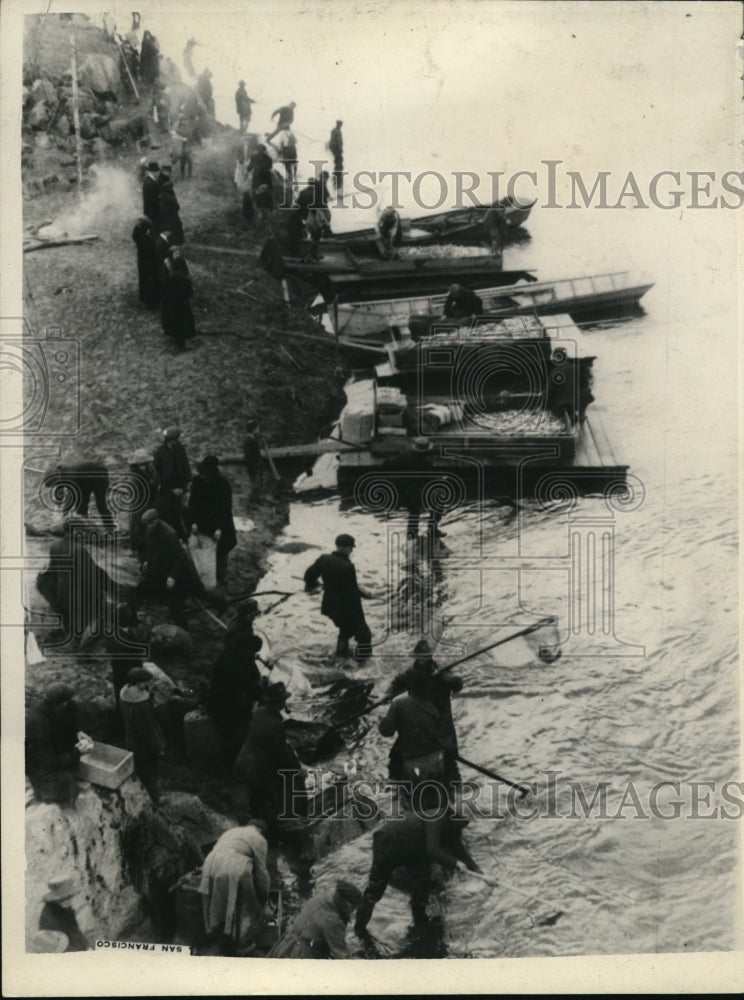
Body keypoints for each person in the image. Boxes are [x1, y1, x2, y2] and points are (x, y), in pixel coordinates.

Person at [353, 804, 480, 938]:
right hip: (388, 843)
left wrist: (480, 873)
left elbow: (461, 853)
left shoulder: (452, 826)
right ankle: (359, 929)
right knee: (375, 891)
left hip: (413, 849)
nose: (463, 827)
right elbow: (433, 850)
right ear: (455, 817)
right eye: (463, 823)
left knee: (423, 882)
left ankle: (419, 918)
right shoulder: (436, 817)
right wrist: (456, 863)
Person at [388, 639, 462, 786]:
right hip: (419, 725)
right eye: (418, 658)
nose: (420, 662)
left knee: (448, 766)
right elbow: (398, 681)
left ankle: (454, 794)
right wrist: (388, 693)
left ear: (429, 658)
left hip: (440, 726)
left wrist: (447, 678)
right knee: (396, 759)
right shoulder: (412, 671)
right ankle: (400, 788)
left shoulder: (441, 672)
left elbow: (457, 684)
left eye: (423, 659)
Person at [35, 517, 120, 646]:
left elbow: (53, 569)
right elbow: (89, 577)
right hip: (78, 595)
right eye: (82, 531)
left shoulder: (55, 545)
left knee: (69, 619)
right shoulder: (79, 550)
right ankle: (80, 649)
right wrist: (99, 596)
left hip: (62, 591)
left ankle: (69, 638)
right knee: (86, 623)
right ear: (76, 532)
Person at [234, 682, 305, 829]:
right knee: (288, 781)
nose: (285, 702)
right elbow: (282, 753)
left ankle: (259, 822)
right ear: (280, 702)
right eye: (283, 700)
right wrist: (298, 769)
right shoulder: (274, 723)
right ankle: (287, 822)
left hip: (244, 762)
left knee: (257, 798)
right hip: (259, 769)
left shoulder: (259, 712)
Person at [199, 820, 271, 956]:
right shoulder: (260, 839)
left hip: (209, 863)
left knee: (219, 901)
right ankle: (242, 945)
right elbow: (262, 874)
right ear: (261, 831)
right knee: (247, 906)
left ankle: (218, 934)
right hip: (233, 864)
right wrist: (264, 903)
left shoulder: (231, 831)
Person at [378, 662, 446, 791]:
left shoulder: (400, 704)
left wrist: (382, 721)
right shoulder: (437, 702)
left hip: (412, 759)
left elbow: (386, 731)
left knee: (396, 760)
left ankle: (397, 790)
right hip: (436, 755)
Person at [303, 534, 373, 659]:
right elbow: (350, 593)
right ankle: (362, 664)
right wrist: (363, 594)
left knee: (345, 629)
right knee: (364, 635)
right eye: (351, 547)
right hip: (346, 607)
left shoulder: (324, 559)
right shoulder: (347, 567)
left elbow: (309, 575)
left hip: (330, 606)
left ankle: (340, 656)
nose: (351, 550)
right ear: (343, 548)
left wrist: (314, 586)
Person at [138, 508, 207, 626]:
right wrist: (147, 562)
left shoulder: (169, 534)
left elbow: (181, 557)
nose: (147, 527)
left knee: (188, 598)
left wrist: (172, 577)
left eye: (149, 524)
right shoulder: (150, 529)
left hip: (180, 574)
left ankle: (184, 630)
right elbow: (151, 549)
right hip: (165, 569)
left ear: (155, 521)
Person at [209, 626, 265, 764]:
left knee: (238, 730)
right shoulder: (231, 664)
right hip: (227, 703)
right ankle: (233, 763)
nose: (253, 654)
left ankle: (237, 758)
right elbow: (244, 686)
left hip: (235, 698)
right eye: (251, 652)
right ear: (245, 649)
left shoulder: (238, 653)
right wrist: (261, 692)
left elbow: (251, 673)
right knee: (234, 733)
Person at [268, 881, 361, 959]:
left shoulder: (323, 898)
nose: (353, 912)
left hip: (287, 944)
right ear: (347, 905)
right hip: (302, 955)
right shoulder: (333, 921)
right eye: (353, 909)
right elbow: (342, 956)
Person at [25, 684, 82, 806]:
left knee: (73, 768)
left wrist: (79, 731)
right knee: (69, 784)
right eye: (65, 703)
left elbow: (73, 710)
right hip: (40, 767)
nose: (68, 704)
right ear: (58, 704)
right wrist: (77, 752)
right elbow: (48, 762)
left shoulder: (55, 707)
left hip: (52, 752)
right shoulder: (38, 724)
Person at [382, 437, 446, 539]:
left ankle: (411, 534)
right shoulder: (426, 464)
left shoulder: (403, 456)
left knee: (414, 510)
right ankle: (432, 530)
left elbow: (386, 464)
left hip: (398, 493)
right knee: (438, 502)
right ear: (427, 450)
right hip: (413, 495)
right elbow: (431, 482)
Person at [187, 455, 238, 585]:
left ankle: (221, 574)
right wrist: (193, 521)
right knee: (205, 548)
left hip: (220, 520)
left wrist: (220, 528)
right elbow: (193, 503)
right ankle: (206, 573)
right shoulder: (197, 481)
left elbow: (225, 508)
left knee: (222, 546)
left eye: (205, 475)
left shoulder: (223, 484)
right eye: (201, 474)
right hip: (203, 520)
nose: (203, 477)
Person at [120, 666, 167, 802]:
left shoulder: (124, 694)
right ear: (140, 683)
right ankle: (156, 797)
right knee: (150, 770)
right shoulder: (142, 705)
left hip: (131, 739)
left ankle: (144, 793)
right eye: (146, 682)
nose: (148, 685)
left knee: (140, 769)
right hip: (145, 745)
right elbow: (149, 730)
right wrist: (158, 747)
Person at [42, 459, 116, 530]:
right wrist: (58, 505)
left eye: (53, 484)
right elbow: (59, 488)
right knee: (81, 509)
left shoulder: (70, 476)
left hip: (98, 476)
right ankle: (86, 528)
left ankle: (110, 527)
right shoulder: (60, 474)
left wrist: (63, 515)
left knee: (101, 505)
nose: (54, 486)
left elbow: (71, 498)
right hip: (83, 481)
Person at [106, 603, 149, 714]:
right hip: (128, 672)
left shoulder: (115, 632)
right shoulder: (123, 637)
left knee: (121, 695)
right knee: (130, 699)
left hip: (120, 670)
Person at [38, 877, 90, 952]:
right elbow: (57, 946)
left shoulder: (65, 909)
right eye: (66, 897)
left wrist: (86, 947)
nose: (70, 900)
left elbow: (75, 931)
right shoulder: (50, 915)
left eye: (70, 897)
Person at [128, 448, 161, 556]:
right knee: (138, 522)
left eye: (145, 463)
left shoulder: (151, 469)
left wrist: (153, 483)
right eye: (140, 464)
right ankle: (136, 548)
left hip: (151, 498)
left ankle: (150, 546)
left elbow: (156, 481)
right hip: (139, 500)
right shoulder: (134, 476)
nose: (143, 466)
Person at [161, 257, 195, 353]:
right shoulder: (184, 278)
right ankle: (183, 344)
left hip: (171, 305)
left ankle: (176, 340)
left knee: (174, 322)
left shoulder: (169, 277)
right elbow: (190, 292)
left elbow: (164, 288)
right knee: (183, 323)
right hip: (183, 305)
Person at [131, 216, 159, 310]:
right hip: (148, 261)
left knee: (144, 279)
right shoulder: (145, 239)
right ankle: (149, 300)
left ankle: (144, 297)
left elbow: (134, 236)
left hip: (143, 261)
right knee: (149, 279)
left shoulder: (139, 236)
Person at [153, 427, 191, 493]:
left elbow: (185, 465)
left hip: (180, 483)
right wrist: (158, 483)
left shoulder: (180, 449)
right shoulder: (160, 451)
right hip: (166, 485)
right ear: (170, 439)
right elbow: (156, 468)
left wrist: (188, 480)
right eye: (175, 439)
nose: (177, 441)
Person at [242, 420, 264, 504]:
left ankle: (256, 500)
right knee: (256, 485)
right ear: (253, 429)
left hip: (258, 466)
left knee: (260, 484)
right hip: (254, 467)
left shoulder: (253, 439)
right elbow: (249, 456)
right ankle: (251, 502)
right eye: (257, 428)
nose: (259, 430)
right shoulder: (248, 441)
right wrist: (253, 467)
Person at [158, 179, 185, 245]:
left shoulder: (160, 196)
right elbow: (177, 207)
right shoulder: (171, 197)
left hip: (163, 218)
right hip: (172, 217)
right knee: (176, 229)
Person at [142, 161, 161, 229]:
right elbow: (153, 199)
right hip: (153, 211)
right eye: (157, 171)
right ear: (154, 172)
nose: (158, 173)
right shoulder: (150, 183)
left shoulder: (148, 180)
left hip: (150, 211)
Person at [329, 120, 343, 191]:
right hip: (337, 149)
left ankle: (336, 176)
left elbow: (332, 140)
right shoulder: (338, 131)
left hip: (333, 148)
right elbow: (339, 141)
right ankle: (338, 180)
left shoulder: (333, 130)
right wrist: (340, 149)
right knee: (339, 162)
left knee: (337, 161)